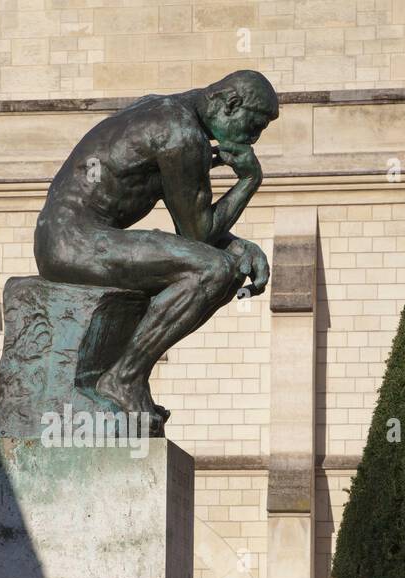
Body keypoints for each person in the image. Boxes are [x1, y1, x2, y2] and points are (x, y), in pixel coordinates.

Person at [35, 70, 278, 429]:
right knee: (215, 271)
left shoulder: (164, 110)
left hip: (68, 237)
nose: (252, 139)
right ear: (231, 104)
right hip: (74, 242)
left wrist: (237, 246)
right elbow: (198, 233)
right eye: (253, 126)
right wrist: (249, 180)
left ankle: (123, 376)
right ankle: (123, 378)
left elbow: (192, 228)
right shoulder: (181, 133)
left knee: (221, 267)